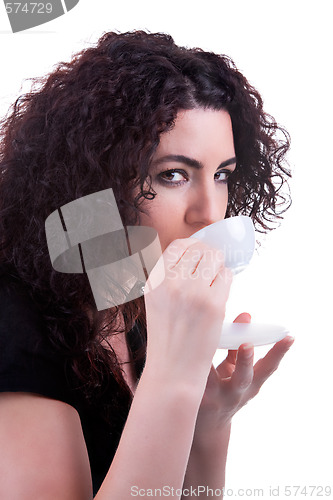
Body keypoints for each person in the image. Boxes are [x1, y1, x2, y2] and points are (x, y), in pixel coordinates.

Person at [0, 30, 293, 499]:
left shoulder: (128, 301)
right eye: (173, 174)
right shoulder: (15, 331)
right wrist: (173, 378)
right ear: (93, 180)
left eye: (221, 175)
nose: (210, 213)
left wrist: (208, 425)